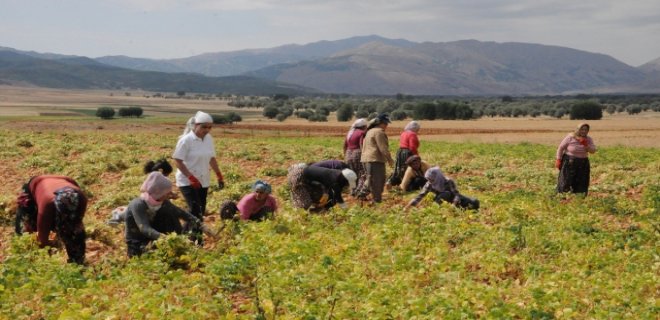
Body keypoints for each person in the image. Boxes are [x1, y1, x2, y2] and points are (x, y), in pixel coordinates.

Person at [124, 172, 211, 257]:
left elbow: (180, 212)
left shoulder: (162, 202)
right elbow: (145, 229)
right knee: (154, 254)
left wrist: (200, 225)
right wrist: (166, 238)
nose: (169, 195)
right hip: (138, 243)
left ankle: (178, 242)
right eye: (167, 192)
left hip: (155, 239)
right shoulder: (138, 204)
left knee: (170, 213)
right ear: (158, 191)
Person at [173, 111, 225, 239]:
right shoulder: (186, 140)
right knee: (196, 210)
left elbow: (212, 159)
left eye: (209, 127)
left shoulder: (208, 139)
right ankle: (197, 239)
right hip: (186, 181)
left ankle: (183, 235)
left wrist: (219, 175)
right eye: (204, 127)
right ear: (195, 125)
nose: (207, 130)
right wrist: (190, 177)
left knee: (198, 211)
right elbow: (177, 160)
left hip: (204, 180)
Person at [15, 175, 87, 264]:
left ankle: (77, 262)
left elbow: (78, 222)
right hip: (36, 184)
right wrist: (46, 253)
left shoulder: (81, 198)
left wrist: (71, 236)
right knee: (27, 224)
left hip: (66, 180)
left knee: (74, 230)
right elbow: (42, 234)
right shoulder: (47, 204)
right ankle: (24, 253)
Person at [108, 158, 176, 226]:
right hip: (146, 202)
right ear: (161, 171)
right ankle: (117, 214)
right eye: (167, 175)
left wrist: (170, 195)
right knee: (133, 214)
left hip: (153, 204)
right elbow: (145, 190)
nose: (167, 177)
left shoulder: (160, 180)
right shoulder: (153, 179)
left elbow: (165, 191)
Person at [287, 163, 357, 211]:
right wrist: (345, 209)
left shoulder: (337, 174)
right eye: (347, 182)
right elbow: (338, 197)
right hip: (298, 176)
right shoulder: (334, 178)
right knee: (304, 203)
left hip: (307, 179)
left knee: (318, 196)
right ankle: (300, 217)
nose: (346, 185)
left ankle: (315, 211)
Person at [404, 167, 479, 211]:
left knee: (474, 202)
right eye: (428, 179)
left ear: (437, 177)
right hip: (440, 200)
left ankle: (458, 208)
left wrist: (453, 205)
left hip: (454, 200)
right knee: (445, 194)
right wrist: (407, 207)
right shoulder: (429, 184)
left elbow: (457, 195)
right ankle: (437, 209)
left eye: (432, 179)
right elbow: (420, 196)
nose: (430, 181)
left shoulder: (448, 181)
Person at [555, 123, 597, 195]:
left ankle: (579, 199)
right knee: (565, 181)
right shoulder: (570, 137)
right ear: (578, 130)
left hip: (583, 163)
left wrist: (586, 145)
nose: (584, 131)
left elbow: (593, 151)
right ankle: (562, 198)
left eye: (586, 130)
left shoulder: (589, 139)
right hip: (569, 162)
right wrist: (558, 159)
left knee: (581, 182)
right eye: (582, 129)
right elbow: (560, 148)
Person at [361, 113, 394, 203]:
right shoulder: (379, 132)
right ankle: (376, 199)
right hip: (375, 160)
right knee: (377, 181)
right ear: (380, 123)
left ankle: (363, 194)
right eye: (385, 123)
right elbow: (383, 148)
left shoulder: (370, 131)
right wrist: (390, 160)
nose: (386, 125)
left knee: (370, 179)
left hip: (366, 158)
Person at [387, 121, 421, 188]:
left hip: (400, 152)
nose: (417, 131)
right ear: (414, 128)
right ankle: (407, 184)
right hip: (407, 153)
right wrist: (416, 157)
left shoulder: (404, 133)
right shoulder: (412, 134)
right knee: (408, 169)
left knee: (399, 168)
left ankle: (392, 181)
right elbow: (412, 147)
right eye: (417, 129)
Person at [343, 118, 368, 195]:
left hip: (348, 153)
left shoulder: (349, 133)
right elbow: (361, 145)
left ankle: (352, 191)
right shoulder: (361, 133)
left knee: (352, 174)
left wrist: (345, 155)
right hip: (357, 154)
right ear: (363, 126)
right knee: (362, 173)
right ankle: (359, 191)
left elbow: (344, 145)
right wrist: (365, 156)